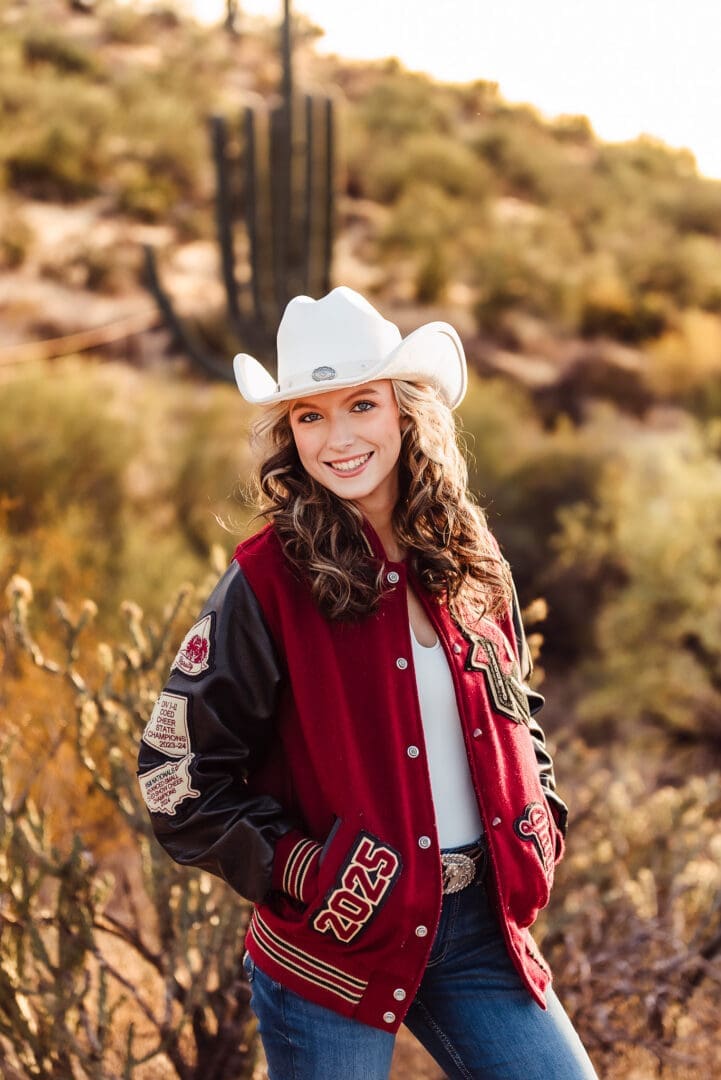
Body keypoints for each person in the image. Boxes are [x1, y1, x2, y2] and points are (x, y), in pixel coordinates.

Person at [137, 286, 598, 1079]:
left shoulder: (471, 552)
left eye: (360, 405)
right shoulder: (266, 581)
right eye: (310, 416)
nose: (338, 438)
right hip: (331, 951)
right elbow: (175, 776)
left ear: (404, 411)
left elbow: (518, 708)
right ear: (289, 435)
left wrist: (538, 818)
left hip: (481, 929)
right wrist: (306, 872)